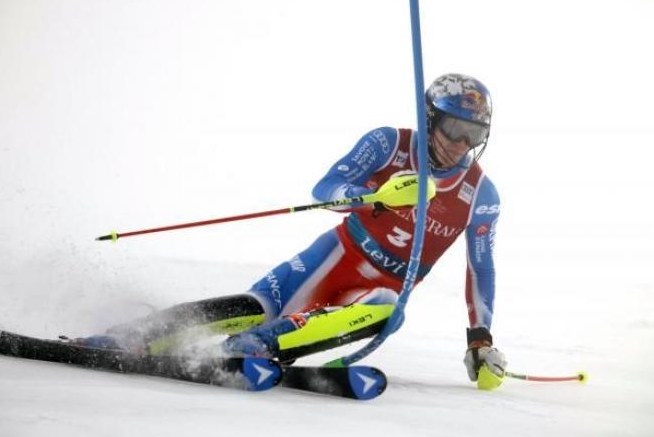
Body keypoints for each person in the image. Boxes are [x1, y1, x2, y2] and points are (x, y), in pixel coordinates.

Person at [76, 73, 507, 384]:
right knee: (254, 305)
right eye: (453, 128)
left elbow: (479, 271)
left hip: (379, 289)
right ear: (430, 117)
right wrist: (375, 196)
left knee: (390, 310)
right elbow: (326, 189)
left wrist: (480, 341)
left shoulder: (480, 194)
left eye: (473, 135)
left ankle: (255, 347)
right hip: (334, 257)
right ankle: (129, 336)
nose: (459, 144)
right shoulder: (388, 143)